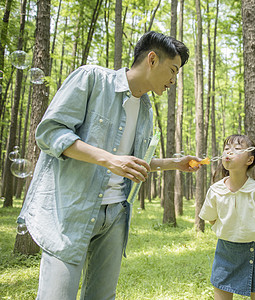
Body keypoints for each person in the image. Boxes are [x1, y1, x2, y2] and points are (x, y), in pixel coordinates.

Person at [18, 31, 201, 300]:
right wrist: (109, 159)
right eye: (173, 70)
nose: (174, 80)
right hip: (70, 213)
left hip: (115, 217)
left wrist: (174, 163)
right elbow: (50, 133)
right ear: (152, 59)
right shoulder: (91, 78)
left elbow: (130, 163)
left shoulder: (147, 109)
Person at [199, 135, 255, 300]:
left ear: (249, 160)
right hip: (225, 253)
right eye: (226, 149)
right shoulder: (215, 191)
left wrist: (254, 234)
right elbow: (211, 219)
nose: (229, 152)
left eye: (237, 149)